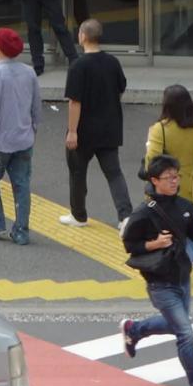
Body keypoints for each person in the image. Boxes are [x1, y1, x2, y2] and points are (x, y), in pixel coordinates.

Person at [121, 155, 193, 386]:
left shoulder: (185, 206)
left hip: (182, 276)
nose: (174, 181)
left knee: (177, 325)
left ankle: (134, 330)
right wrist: (155, 243)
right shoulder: (144, 213)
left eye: (176, 176)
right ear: (154, 180)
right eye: (169, 178)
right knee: (185, 333)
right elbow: (129, 244)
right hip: (159, 281)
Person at [59, 18, 132, 230]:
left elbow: (75, 102)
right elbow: (120, 88)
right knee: (114, 173)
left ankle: (78, 215)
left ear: (82, 36)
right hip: (109, 127)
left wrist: (72, 131)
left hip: (84, 130)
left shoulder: (78, 66)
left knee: (78, 172)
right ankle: (125, 216)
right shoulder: (112, 62)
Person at [145, 84, 193, 287]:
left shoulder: (160, 129)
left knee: (168, 227)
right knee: (190, 223)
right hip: (191, 182)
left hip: (167, 184)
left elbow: (152, 160)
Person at [0, 27, 41, 245]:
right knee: (21, 184)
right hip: (24, 139)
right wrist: (33, 129)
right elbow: (36, 108)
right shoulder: (29, 72)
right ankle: (21, 231)